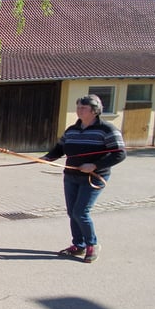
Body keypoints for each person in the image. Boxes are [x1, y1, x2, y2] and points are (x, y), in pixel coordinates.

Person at [41, 94, 126, 263]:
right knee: (72, 212)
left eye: (83, 108)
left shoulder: (107, 129)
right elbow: (60, 148)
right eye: (78, 107)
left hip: (93, 178)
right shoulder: (72, 129)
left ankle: (92, 245)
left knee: (81, 212)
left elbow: (120, 154)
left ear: (95, 111)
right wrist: (47, 158)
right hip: (71, 176)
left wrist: (94, 165)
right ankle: (78, 245)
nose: (79, 110)